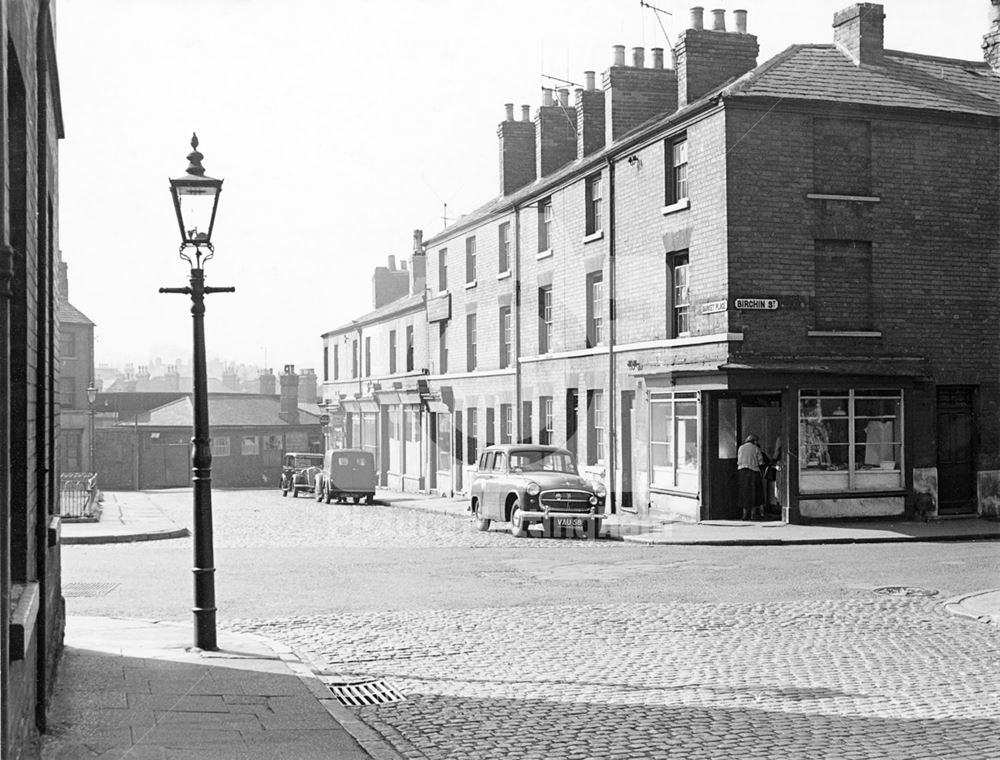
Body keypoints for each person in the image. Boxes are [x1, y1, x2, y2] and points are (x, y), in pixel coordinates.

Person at [737, 433, 765, 520]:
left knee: (744, 493)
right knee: (755, 493)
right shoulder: (756, 448)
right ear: (754, 441)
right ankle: (753, 514)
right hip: (753, 472)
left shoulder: (741, 448)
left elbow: (739, 461)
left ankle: (744, 514)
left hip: (742, 472)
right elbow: (761, 462)